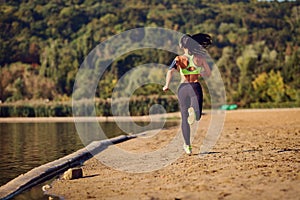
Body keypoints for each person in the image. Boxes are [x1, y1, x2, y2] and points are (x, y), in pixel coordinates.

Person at [163, 34, 212, 155]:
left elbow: (170, 71)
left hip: (183, 88)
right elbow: (208, 73)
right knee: (198, 115)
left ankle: (187, 146)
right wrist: (200, 74)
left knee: (184, 118)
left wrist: (166, 85)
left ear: (181, 45)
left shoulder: (178, 59)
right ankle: (193, 112)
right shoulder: (200, 58)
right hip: (195, 87)